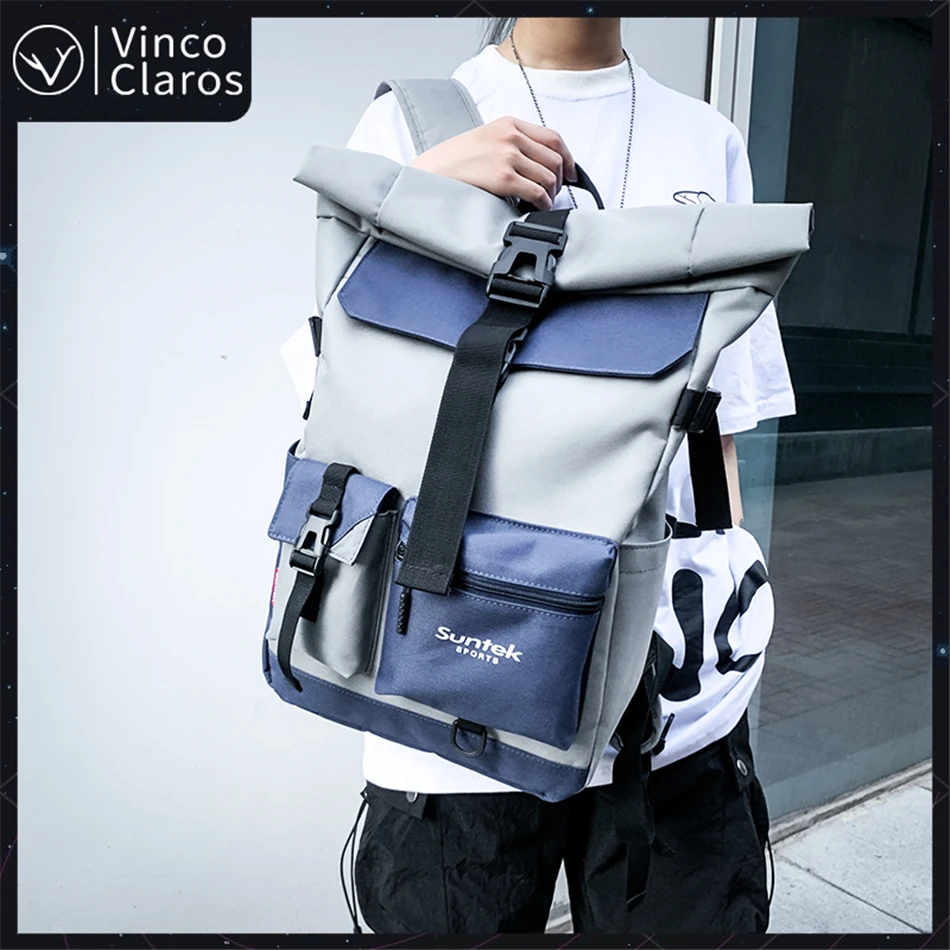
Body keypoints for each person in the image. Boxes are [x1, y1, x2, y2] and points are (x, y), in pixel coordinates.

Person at [287, 16, 795, 934]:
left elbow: (717, 427)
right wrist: (423, 194)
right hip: (447, 691)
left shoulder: (706, 139)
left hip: (667, 710)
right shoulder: (412, 122)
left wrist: (727, 610)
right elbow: (344, 396)